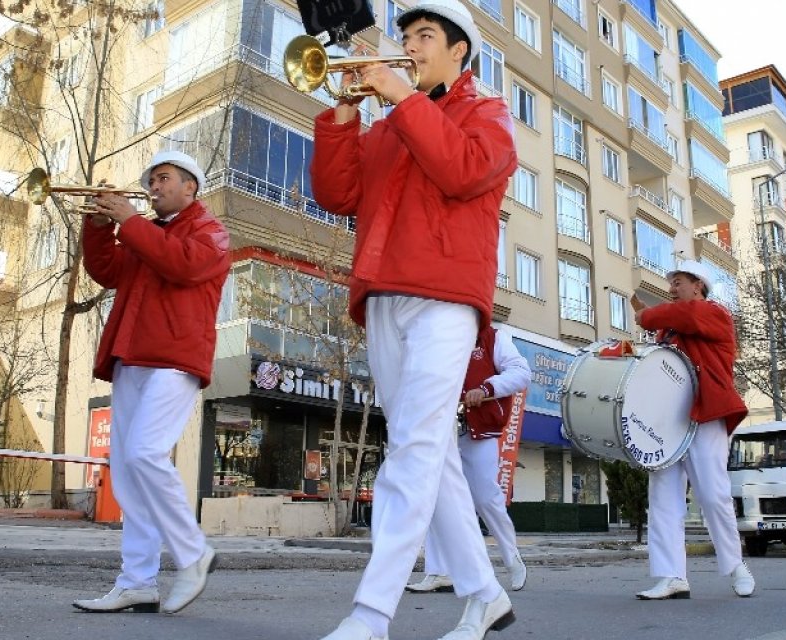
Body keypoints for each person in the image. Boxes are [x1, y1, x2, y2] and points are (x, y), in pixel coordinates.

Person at [310, 0, 518, 637]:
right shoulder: (392, 125)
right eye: (405, 35)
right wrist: (345, 113)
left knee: (413, 449)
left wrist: (402, 97)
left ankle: (371, 614)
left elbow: (462, 171)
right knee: (433, 458)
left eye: (424, 35)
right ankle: (485, 593)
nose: (408, 45)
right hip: (383, 296)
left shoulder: (489, 114)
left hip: (447, 299)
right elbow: (336, 193)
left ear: (460, 52)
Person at [71, 150, 231, 615]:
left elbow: (183, 266)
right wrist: (100, 226)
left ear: (190, 186)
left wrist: (129, 224)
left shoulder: (211, 232)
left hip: (175, 359)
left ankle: (192, 552)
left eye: (162, 179)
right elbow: (107, 271)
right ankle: (138, 581)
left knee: (144, 452)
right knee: (128, 472)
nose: (153, 187)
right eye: (151, 181)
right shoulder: (148, 234)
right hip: (131, 357)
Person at [630, 260, 754, 600]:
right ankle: (671, 576)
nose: (672, 289)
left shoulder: (714, 313)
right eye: (672, 284)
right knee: (663, 497)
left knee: (713, 494)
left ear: (698, 285)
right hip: (669, 421)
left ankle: (736, 566)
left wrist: (644, 316)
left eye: (678, 282)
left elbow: (686, 316)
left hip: (706, 414)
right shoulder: (670, 329)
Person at [407, 326, 531, 594]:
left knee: (486, 498)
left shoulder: (492, 338)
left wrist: (487, 388)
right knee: (437, 497)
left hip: (479, 430)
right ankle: (440, 571)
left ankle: (512, 559)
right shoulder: (440, 337)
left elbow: (521, 373)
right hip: (443, 430)